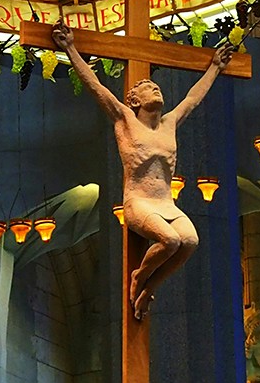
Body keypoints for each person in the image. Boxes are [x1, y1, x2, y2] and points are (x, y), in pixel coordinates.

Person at [53, 22, 235, 320]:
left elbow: (192, 98)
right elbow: (96, 87)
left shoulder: (170, 123)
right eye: (148, 87)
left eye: (157, 86)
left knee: (190, 241)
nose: (156, 87)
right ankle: (139, 277)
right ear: (134, 101)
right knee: (171, 240)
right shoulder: (125, 119)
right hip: (138, 202)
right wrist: (71, 48)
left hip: (166, 202)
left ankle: (149, 284)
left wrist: (214, 67)